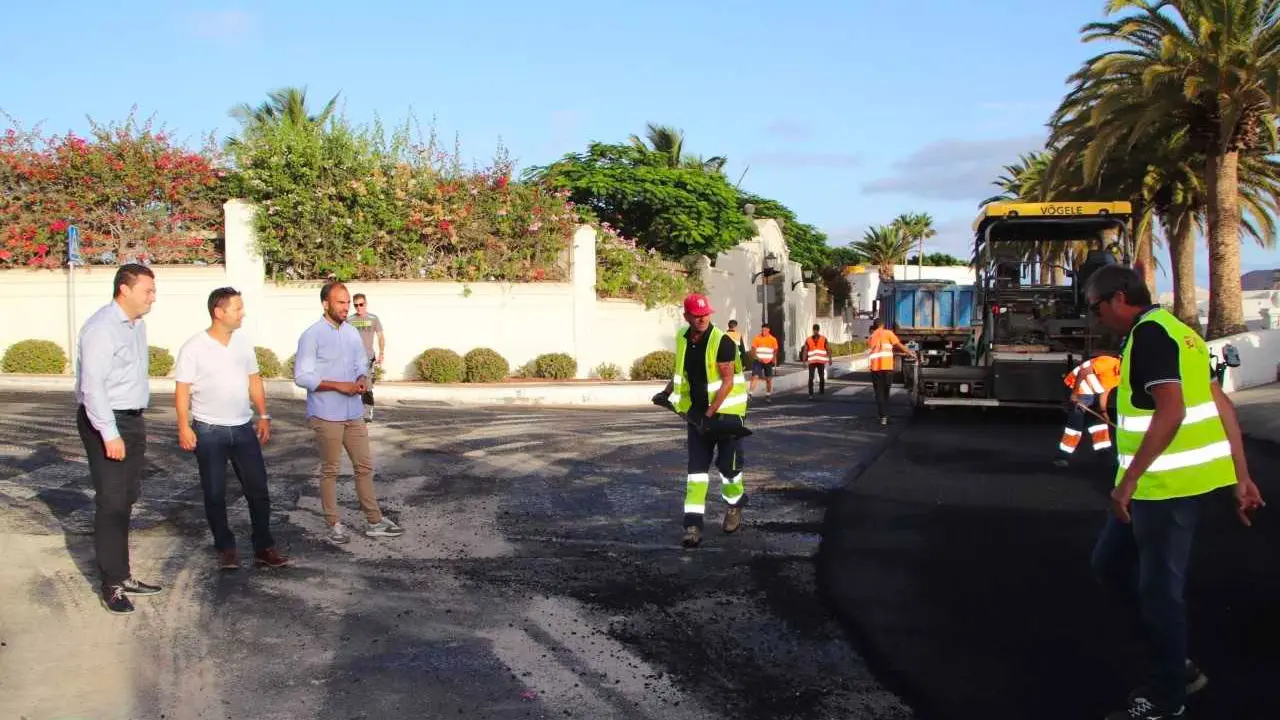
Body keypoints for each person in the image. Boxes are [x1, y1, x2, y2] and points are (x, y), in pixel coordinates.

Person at [1085, 264, 1265, 720]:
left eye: (1095, 306)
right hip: (1159, 486)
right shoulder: (1180, 333)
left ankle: (1168, 696)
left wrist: (1127, 482)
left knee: (1159, 590)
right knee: (1110, 567)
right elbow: (1218, 402)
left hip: (1165, 489)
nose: (1094, 317)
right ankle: (1174, 664)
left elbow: (1172, 409)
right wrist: (1241, 474)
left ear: (1119, 298)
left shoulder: (1151, 336)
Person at [175, 287, 290, 571]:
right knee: (214, 493)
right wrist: (183, 426)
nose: (243, 314)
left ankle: (264, 547)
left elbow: (254, 380)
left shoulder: (243, 344)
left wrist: (263, 415)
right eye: (237, 308)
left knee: (258, 490)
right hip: (209, 430)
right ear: (219, 312)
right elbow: (182, 390)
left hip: (242, 429)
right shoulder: (193, 347)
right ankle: (225, 548)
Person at [74, 263, 163, 614]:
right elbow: (92, 386)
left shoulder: (136, 325)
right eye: (148, 291)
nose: (153, 297)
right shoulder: (101, 329)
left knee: (126, 498)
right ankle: (111, 584)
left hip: (131, 420)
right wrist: (109, 433)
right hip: (105, 422)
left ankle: (122, 574)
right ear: (124, 290)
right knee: (111, 503)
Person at [294, 281, 405, 545]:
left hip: (353, 411)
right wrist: (337, 385)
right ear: (325, 304)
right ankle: (333, 524)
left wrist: (360, 378)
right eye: (340, 302)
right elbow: (301, 376)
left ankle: (374, 521)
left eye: (347, 302)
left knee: (364, 466)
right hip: (326, 413)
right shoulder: (312, 335)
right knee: (330, 470)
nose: (346, 307)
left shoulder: (352, 333)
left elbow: (360, 363)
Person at [654, 294, 750, 549]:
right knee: (696, 472)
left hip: (726, 416)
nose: (702, 318)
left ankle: (734, 505)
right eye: (696, 315)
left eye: (705, 313)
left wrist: (709, 416)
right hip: (697, 415)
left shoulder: (723, 342)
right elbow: (681, 371)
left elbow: (728, 382)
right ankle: (693, 526)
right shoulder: (683, 339)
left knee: (728, 469)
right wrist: (665, 393)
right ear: (686, 316)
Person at [1055, 352, 1121, 467]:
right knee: (1075, 426)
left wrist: (1103, 411)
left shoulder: (1120, 376)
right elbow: (1083, 371)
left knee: (1099, 422)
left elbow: (1105, 391)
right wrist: (1075, 394)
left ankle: (1103, 452)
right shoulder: (1109, 362)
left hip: (1091, 392)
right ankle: (1062, 456)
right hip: (1076, 387)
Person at [867, 320, 916, 426]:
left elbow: (873, 350)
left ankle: (882, 416)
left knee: (879, 393)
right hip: (887, 367)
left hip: (875, 368)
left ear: (874, 326)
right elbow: (898, 345)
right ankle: (886, 416)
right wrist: (909, 353)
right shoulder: (888, 333)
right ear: (883, 325)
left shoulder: (872, 336)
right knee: (886, 393)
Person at [347, 293, 385, 422]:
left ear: (366, 304)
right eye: (356, 305)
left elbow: (380, 336)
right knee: (352, 385)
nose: (359, 307)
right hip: (353, 359)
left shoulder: (373, 318)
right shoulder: (350, 320)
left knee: (367, 385)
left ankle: (367, 413)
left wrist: (381, 353)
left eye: (361, 304)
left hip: (368, 358)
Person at [748, 324, 779, 401]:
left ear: (769, 330)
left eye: (765, 330)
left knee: (768, 379)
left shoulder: (773, 339)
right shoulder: (757, 338)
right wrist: (757, 357)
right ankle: (750, 394)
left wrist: (774, 358)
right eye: (762, 330)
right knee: (755, 376)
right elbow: (753, 349)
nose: (763, 332)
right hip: (758, 361)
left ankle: (768, 395)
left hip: (768, 361)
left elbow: (775, 350)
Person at [801, 324, 830, 399]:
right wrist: (804, 361)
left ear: (818, 330)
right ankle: (810, 393)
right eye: (814, 330)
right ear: (813, 330)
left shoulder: (823, 339)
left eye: (816, 330)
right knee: (811, 378)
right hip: (812, 362)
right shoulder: (808, 339)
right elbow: (805, 351)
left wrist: (830, 358)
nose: (815, 331)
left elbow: (828, 349)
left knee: (821, 377)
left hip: (820, 361)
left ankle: (821, 390)